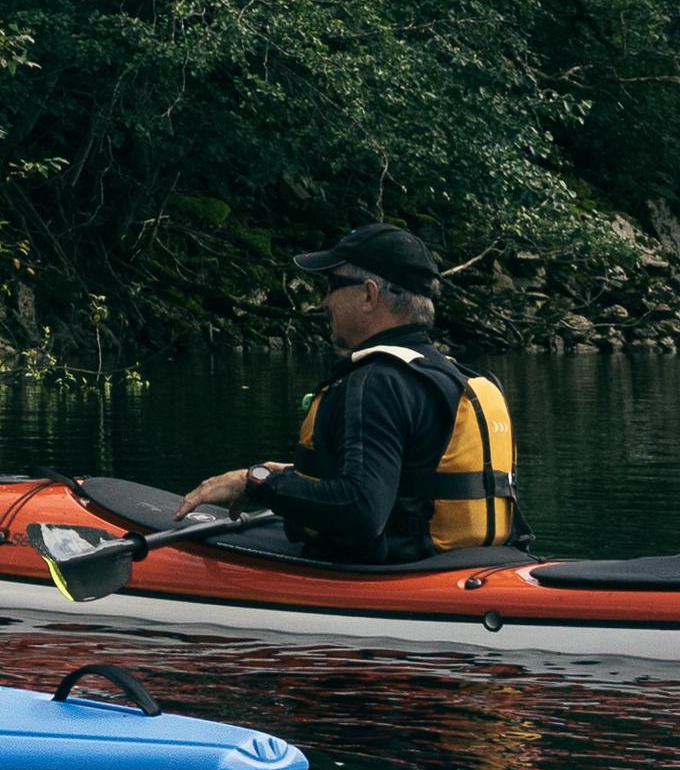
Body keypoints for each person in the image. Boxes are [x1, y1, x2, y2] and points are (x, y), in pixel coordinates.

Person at [181, 224, 524, 562]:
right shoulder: (450, 375)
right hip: (477, 565)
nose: (324, 301)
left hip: (397, 580)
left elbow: (361, 510)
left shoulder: (378, 382)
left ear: (369, 295)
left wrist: (253, 482)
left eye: (332, 285)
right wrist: (290, 479)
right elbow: (410, 483)